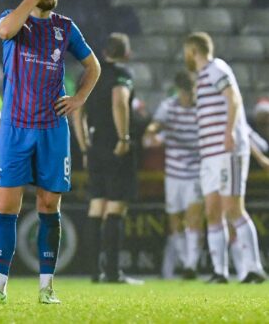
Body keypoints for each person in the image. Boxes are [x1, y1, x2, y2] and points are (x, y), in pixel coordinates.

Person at [0, 0, 100, 304]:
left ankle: (47, 288)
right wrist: (31, 0)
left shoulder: (66, 27)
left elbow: (93, 66)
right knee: (6, 203)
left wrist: (79, 98)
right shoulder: (14, 18)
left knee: (48, 204)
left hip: (52, 129)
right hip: (15, 127)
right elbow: (3, 31)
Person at [184, 32, 265, 283]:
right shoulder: (201, 77)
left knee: (233, 209)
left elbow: (234, 99)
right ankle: (220, 271)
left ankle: (254, 267)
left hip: (226, 150)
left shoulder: (217, 68)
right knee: (212, 211)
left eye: (186, 51)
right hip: (209, 154)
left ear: (193, 50)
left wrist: (229, 131)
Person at [73, 33, 141, 284]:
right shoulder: (122, 74)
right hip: (115, 147)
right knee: (115, 207)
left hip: (95, 146)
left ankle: (94, 272)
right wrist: (123, 138)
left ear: (104, 52)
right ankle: (113, 272)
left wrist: (83, 146)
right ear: (127, 53)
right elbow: (119, 101)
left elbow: (76, 111)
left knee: (96, 206)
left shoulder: (89, 75)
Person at [143, 71, 204, 280]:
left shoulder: (203, 109)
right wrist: (151, 130)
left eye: (192, 91)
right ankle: (184, 260)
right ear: (179, 91)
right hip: (174, 174)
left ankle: (191, 265)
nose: (189, 96)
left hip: (196, 172)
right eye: (186, 92)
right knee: (175, 221)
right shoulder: (169, 106)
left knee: (194, 218)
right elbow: (156, 123)